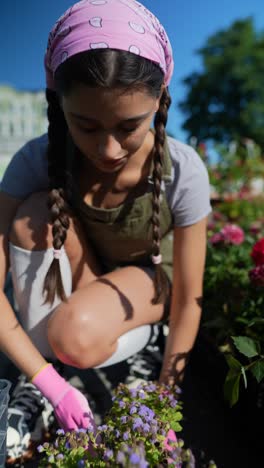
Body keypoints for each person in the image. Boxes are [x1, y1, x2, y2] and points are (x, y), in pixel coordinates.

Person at [0, 0, 212, 460]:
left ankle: (138, 345)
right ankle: (42, 383)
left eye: (129, 126)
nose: (109, 149)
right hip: (87, 277)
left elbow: (189, 297)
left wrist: (162, 399)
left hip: (146, 282)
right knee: (29, 218)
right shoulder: (36, 162)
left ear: (159, 100)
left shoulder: (183, 172)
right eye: (87, 125)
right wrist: (47, 382)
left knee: (75, 335)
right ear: (60, 105)